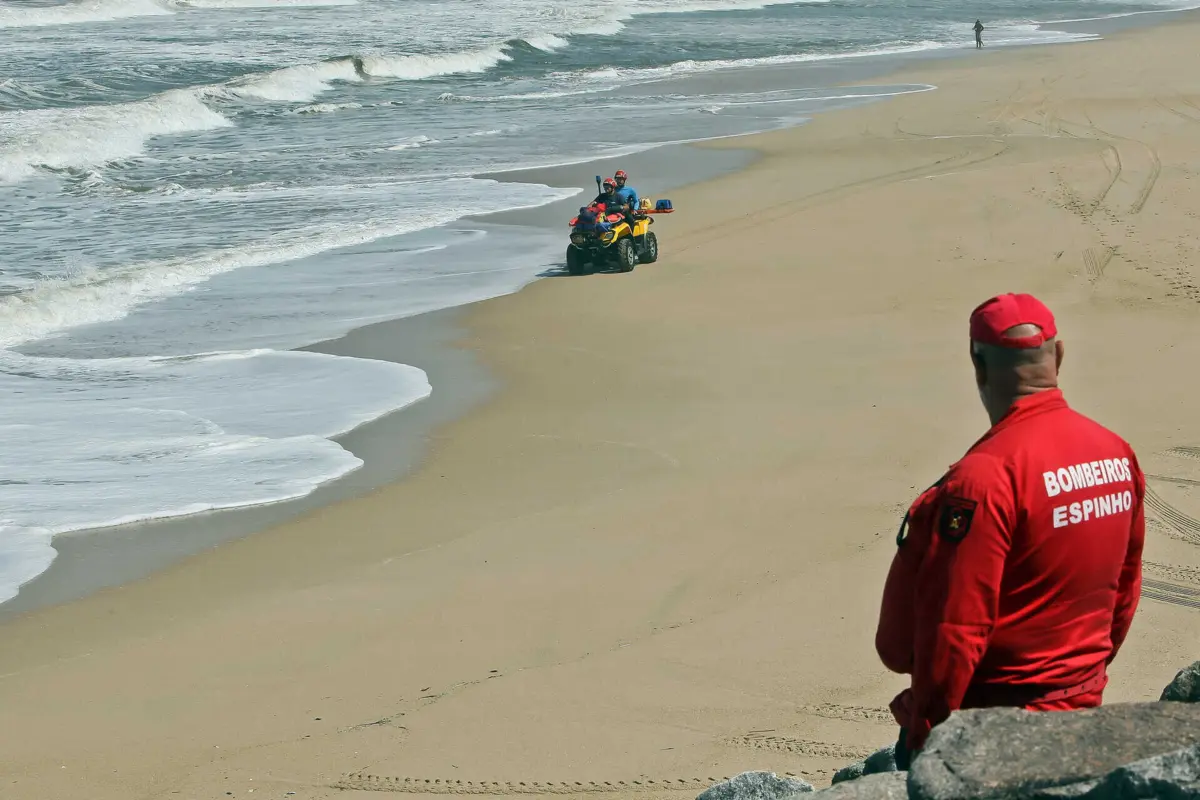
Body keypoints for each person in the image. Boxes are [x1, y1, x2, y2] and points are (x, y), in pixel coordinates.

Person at [875, 293, 1145, 769]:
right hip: (1081, 710)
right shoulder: (1115, 453)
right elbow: (1124, 590)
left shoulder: (983, 479)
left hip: (994, 730)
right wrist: (1082, 680)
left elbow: (956, 626)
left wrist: (925, 732)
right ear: (1058, 356)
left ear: (978, 366)